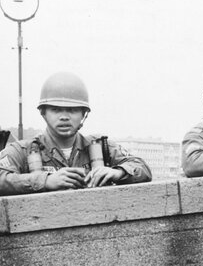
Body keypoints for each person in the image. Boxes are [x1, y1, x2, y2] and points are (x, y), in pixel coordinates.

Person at [0, 72, 152, 196]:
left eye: (72, 110)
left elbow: (142, 168)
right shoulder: (22, 150)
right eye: (56, 109)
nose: (64, 116)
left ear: (83, 114)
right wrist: (45, 181)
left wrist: (118, 173)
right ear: (43, 113)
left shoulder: (100, 146)